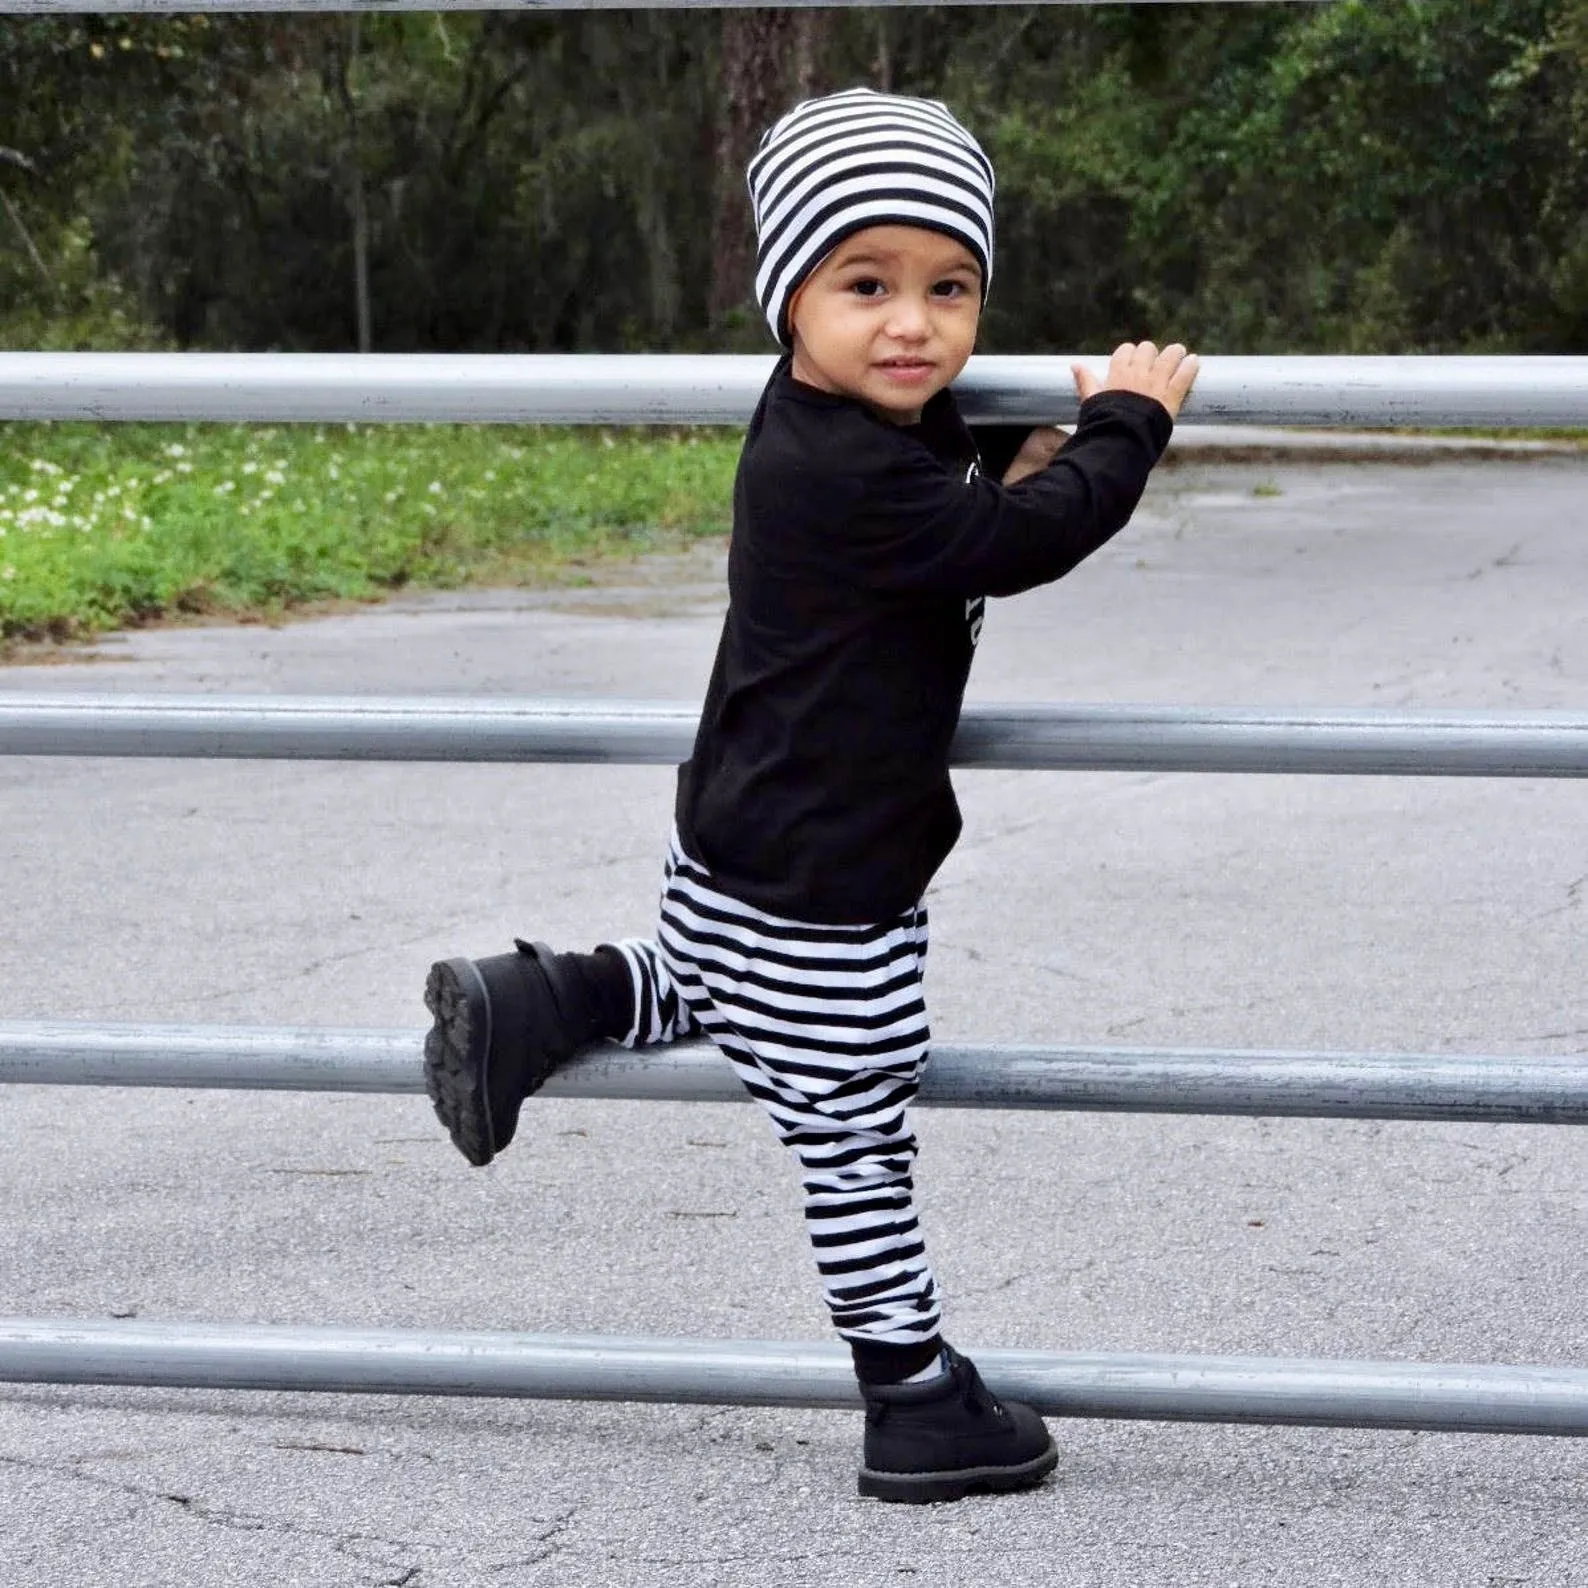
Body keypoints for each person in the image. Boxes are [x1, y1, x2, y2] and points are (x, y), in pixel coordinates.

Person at [423, 86, 1199, 1504]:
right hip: (833, 874)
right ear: (787, 299)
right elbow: (1016, 542)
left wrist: (999, 440)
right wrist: (1123, 427)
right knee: (852, 1129)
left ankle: (554, 996)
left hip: (744, 829)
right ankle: (909, 1395)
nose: (913, 323)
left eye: (949, 287)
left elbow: (947, 507)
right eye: (865, 285)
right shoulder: (849, 468)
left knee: (713, 980)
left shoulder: (828, 428)